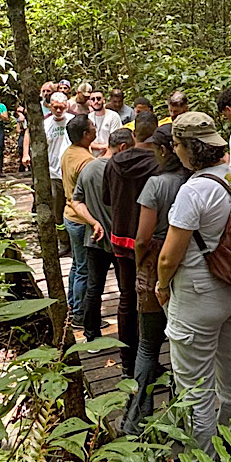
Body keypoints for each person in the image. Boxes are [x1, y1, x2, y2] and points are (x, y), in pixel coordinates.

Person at [155, 112, 231, 455]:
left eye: (176, 145)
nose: (174, 150)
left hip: (197, 296)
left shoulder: (193, 191)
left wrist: (161, 285)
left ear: (188, 149)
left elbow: (169, 256)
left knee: (195, 386)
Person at [121, 123, 188, 430]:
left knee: (148, 344)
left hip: (154, 265)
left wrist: (138, 262)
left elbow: (143, 237)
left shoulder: (156, 185)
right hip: (188, 263)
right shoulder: (193, 179)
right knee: (180, 344)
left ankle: (136, 417)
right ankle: (180, 415)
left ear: (163, 150)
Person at [103, 112, 161, 375]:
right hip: (150, 241)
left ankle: (127, 363)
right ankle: (149, 360)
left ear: (134, 133)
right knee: (153, 299)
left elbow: (106, 199)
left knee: (127, 298)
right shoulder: (161, 165)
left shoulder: (113, 163)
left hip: (120, 238)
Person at [71, 129, 122, 339]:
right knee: (127, 290)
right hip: (121, 240)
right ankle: (133, 334)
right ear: (123, 148)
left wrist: (92, 222)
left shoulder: (89, 168)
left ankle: (91, 334)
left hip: (95, 239)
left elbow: (76, 201)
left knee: (94, 289)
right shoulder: (122, 170)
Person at [61, 114, 97, 338]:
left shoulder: (70, 153)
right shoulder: (86, 162)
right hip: (81, 220)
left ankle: (73, 307)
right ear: (85, 134)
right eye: (92, 127)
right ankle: (81, 315)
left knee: (77, 265)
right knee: (84, 269)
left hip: (69, 216)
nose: (95, 129)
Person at [43, 92, 73, 255]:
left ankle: (76, 241)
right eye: (56, 107)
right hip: (54, 173)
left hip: (71, 172)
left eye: (62, 107)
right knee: (58, 209)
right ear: (50, 106)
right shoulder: (46, 124)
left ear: (67, 105)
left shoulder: (73, 121)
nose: (59, 110)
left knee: (75, 207)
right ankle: (63, 241)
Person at [88, 89, 122, 154]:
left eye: (98, 98)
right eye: (93, 99)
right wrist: (100, 147)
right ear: (90, 102)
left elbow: (115, 141)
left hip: (109, 154)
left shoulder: (113, 116)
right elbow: (86, 141)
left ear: (104, 100)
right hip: (91, 155)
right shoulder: (88, 118)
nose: (96, 101)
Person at [15, 105, 30, 172]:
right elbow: (17, 129)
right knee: (21, 147)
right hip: (23, 132)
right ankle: (22, 165)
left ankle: (29, 166)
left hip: (31, 132)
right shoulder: (21, 118)